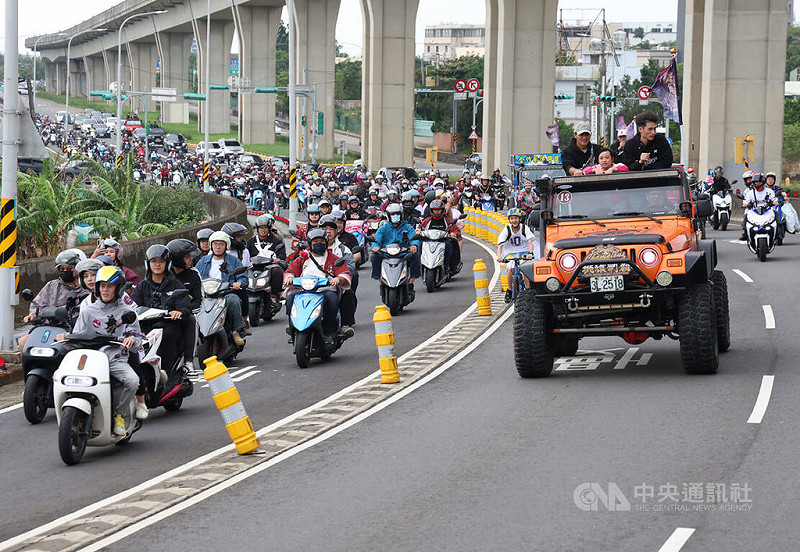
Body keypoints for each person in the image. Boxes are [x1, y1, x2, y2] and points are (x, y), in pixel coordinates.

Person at [67, 265, 145, 435]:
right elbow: (77, 336)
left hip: (115, 360)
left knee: (133, 381)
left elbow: (138, 340)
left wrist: (132, 339)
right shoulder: (88, 311)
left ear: (118, 288)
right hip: (91, 360)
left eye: (110, 286)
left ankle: (120, 414)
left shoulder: (127, 312)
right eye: (102, 286)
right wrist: (66, 338)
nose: (105, 290)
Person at [130, 245, 194, 392]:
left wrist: (178, 312)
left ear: (167, 263)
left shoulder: (175, 284)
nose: (157, 265)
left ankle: (166, 370)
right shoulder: (142, 286)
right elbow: (132, 306)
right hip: (146, 327)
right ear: (148, 263)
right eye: (153, 261)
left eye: (161, 261)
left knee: (169, 333)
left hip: (168, 325)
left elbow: (185, 306)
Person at [283, 228, 353, 342]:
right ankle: (293, 328)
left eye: (321, 241)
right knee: (290, 299)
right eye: (315, 242)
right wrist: (289, 278)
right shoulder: (302, 259)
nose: (318, 244)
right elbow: (290, 270)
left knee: (332, 299)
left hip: (325, 290)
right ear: (310, 243)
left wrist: (338, 279)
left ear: (326, 242)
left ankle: (329, 331)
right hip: (304, 290)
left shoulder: (333, 258)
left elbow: (344, 273)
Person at [20, 250, 87, 351]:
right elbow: (38, 303)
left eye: (69, 269)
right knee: (23, 342)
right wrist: (33, 315)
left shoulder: (84, 289)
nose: (65, 271)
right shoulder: (51, 285)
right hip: (46, 327)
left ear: (76, 269)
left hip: (69, 329)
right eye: (62, 269)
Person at [195, 231, 250, 346]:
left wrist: (238, 283)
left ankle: (236, 330)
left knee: (233, 300)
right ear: (211, 245)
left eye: (221, 244)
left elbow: (244, 278)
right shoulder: (203, 261)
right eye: (215, 244)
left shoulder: (234, 261)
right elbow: (195, 276)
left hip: (225, 293)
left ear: (226, 246)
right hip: (207, 295)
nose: (218, 247)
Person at [166, 238, 203, 376]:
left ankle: (188, 362)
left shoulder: (193, 275)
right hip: (165, 317)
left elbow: (199, 301)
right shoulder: (164, 276)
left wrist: (183, 311)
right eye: (187, 257)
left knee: (192, 320)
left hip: (186, 315)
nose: (191, 259)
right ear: (177, 258)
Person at [371, 203, 421, 299]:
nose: (395, 216)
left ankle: (411, 283)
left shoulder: (407, 227)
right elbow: (376, 240)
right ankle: (381, 282)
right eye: (392, 214)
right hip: (387, 255)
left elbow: (413, 237)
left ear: (401, 215)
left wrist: (414, 245)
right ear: (388, 216)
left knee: (415, 255)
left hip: (403, 254)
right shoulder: (383, 228)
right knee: (374, 256)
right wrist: (375, 247)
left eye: (397, 214)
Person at [320, 215, 358, 332]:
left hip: (336, 283)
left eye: (331, 229)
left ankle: (345, 325)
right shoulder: (311, 248)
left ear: (336, 231)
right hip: (316, 283)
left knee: (348, 294)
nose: (328, 232)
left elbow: (350, 267)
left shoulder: (343, 249)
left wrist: (339, 276)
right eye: (325, 229)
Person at [496, 208, 538, 303]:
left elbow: (530, 242)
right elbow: (500, 245)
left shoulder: (524, 228)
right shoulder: (507, 230)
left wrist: (530, 253)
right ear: (509, 220)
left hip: (524, 251)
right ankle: (509, 289)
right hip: (510, 252)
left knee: (525, 270)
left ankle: (528, 290)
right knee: (510, 269)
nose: (514, 220)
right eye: (511, 218)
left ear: (520, 219)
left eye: (516, 218)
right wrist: (499, 256)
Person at [418, 199, 462, 276]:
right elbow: (420, 228)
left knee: (449, 245)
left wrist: (453, 234)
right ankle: (420, 264)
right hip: (428, 242)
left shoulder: (447, 221)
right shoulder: (427, 221)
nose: (437, 212)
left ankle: (447, 265)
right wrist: (418, 232)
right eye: (435, 210)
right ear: (431, 211)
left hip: (443, 241)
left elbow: (456, 230)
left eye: (439, 210)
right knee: (420, 244)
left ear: (442, 210)